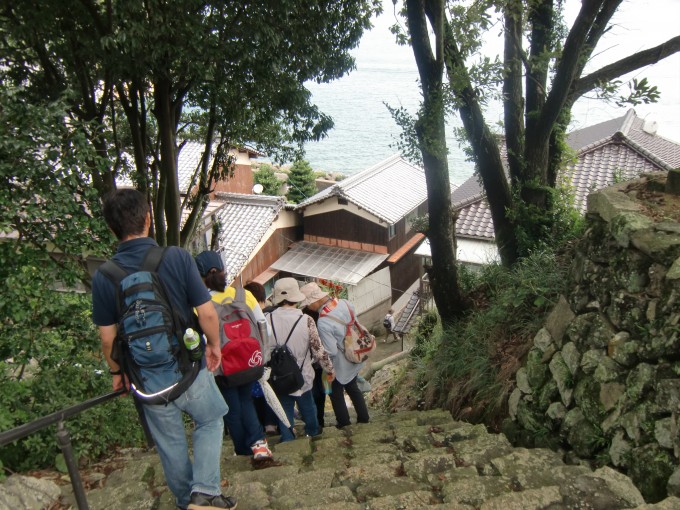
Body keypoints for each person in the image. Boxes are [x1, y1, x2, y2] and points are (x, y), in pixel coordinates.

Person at [91, 189, 236, 510]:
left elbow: (107, 339)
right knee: (211, 419)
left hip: (146, 381)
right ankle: (206, 492)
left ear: (112, 228)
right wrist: (214, 346)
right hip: (188, 369)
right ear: (148, 218)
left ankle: (189, 503)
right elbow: (208, 313)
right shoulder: (177, 257)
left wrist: (118, 374)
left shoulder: (104, 277)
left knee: (171, 447)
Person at [195, 251, 272, 461]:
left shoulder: (199, 305)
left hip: (222, 365)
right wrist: (263, 356)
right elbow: (263, 325)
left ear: (200, 276)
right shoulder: (244, 295)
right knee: (246, 400)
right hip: (249, 360)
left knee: (231, 407)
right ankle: (258, 443)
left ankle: (242, 450)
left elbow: (200, 339)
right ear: (223, 271)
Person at [265, 278, 334, 442]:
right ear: (295, 296)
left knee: (284, 407)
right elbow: (319, 351)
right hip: (302, 375)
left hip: (278, 375)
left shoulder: (266, 319)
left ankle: (288, 438)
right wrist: (329, 369)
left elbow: (263, 349)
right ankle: (313, 433)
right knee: (308, 406)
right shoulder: (306, 320)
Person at [301, 282, 369, 428]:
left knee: (334, 392)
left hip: (339, 363)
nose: (307, 307)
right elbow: (354, 323)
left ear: (315, 300)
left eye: (307, 304)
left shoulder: (323, 322)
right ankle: (364, 418)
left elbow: (330, 351)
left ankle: (344, 423)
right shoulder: (345, 303)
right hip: (354, 353)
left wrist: (317, 361)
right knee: (352, 387)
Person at [244, 281, 279, 435]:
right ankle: (271, 424)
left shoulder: (244, 317)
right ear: (263, 299)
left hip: (249, 361)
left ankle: (258, 426)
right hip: (269, 360)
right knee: (269, 391)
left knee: (254, 394)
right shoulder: (270, 315)